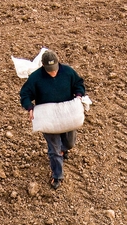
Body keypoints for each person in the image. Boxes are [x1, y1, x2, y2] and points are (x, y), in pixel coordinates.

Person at [19, 50, 86, 190]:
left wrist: (79, 95)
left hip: (67, 113)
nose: (53, 73)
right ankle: (57, 175)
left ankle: (64, 149)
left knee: (70, 142)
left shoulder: (68, 72)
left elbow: (79, 84)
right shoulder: (35, 77)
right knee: (54, 149)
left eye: (54, 69)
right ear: (43, 65)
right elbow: (25, 94)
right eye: (49, 70)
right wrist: (29, 107)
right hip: (48, 116)